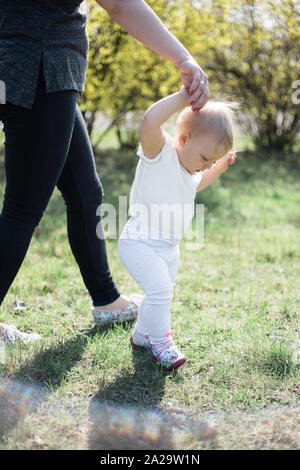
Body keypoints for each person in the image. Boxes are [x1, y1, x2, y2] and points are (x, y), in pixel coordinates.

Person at [0, 0, 209, 344]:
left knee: (85, 193)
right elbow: (119, 4)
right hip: (39, 68)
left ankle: (107, 300)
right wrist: (183, 59)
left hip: (43, 70)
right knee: (22, 210)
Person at [118, 86, 238, 370]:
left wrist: (217, 169)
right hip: (140, 243)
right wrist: (184, 97)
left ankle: (142, 335)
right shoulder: (160, 153)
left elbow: (197, 185)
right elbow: (149, 121)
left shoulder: (190, 170)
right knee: (160, 290)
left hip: (169, 249)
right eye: (205, 158)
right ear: (183, 138)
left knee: (158, 293)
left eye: (209, 161)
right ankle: (162, 342)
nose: (204, 166)